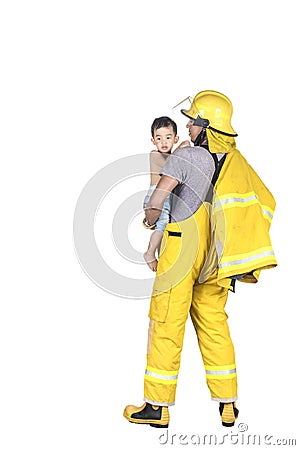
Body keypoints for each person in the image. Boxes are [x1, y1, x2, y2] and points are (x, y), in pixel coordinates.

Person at [124, 90, 277, 428]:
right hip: (217, 256)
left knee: (166, 322)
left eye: (193, 122)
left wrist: (150, 220)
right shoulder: (236, 163)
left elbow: (159, 198)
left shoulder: (189, 156)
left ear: (205, 126)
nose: (188, 127)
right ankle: (228, 403)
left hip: (182, 248)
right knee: (214, 326)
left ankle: (156, 406)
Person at [143, 116, 189, 271]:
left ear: (175, 138)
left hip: (166, 197)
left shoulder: (173, 154)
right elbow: (171, 162)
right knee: (161, 226)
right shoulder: (154, 155)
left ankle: (158, 253)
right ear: (153, 141)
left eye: (168, 137)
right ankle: (149, 254)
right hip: (155, 196)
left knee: (164, 230)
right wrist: (182, 146)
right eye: (159, 138)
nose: (163, 142)